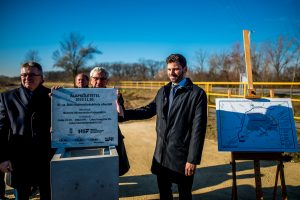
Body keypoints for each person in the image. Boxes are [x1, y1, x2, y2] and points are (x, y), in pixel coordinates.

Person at [124, 54, 207, 199]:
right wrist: (122, 114)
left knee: (185, 195)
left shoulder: (196, 94)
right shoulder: (163, 91)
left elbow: (198, 130)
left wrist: (192, 159)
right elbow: (147, 111)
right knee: (164, 194)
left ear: (185, 69)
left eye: (176, 69)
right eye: (169, 69)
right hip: (161, 155)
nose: (171, 73)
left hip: (182, 156)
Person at [0, 62, 52, 200]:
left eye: (32, 74)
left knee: (48, 195)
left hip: (47, 157)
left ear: (41, 77)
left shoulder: (54, 96)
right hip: (20, 158)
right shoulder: (7, 97)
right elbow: (1, 130)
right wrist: (3, 158)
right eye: (24, 74)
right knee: (22, 195)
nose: (27, 77)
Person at [90, 67, 130, 176]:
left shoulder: (114, 94)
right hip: (90, 137)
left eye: (102, 79)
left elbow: (121, 117)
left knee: (112, 167)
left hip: (110, 135)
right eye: (95, 78)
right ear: (91, 79)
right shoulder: (82, 94)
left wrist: (117, 101)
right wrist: (56, 96)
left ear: (107, 81)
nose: (99, 81)